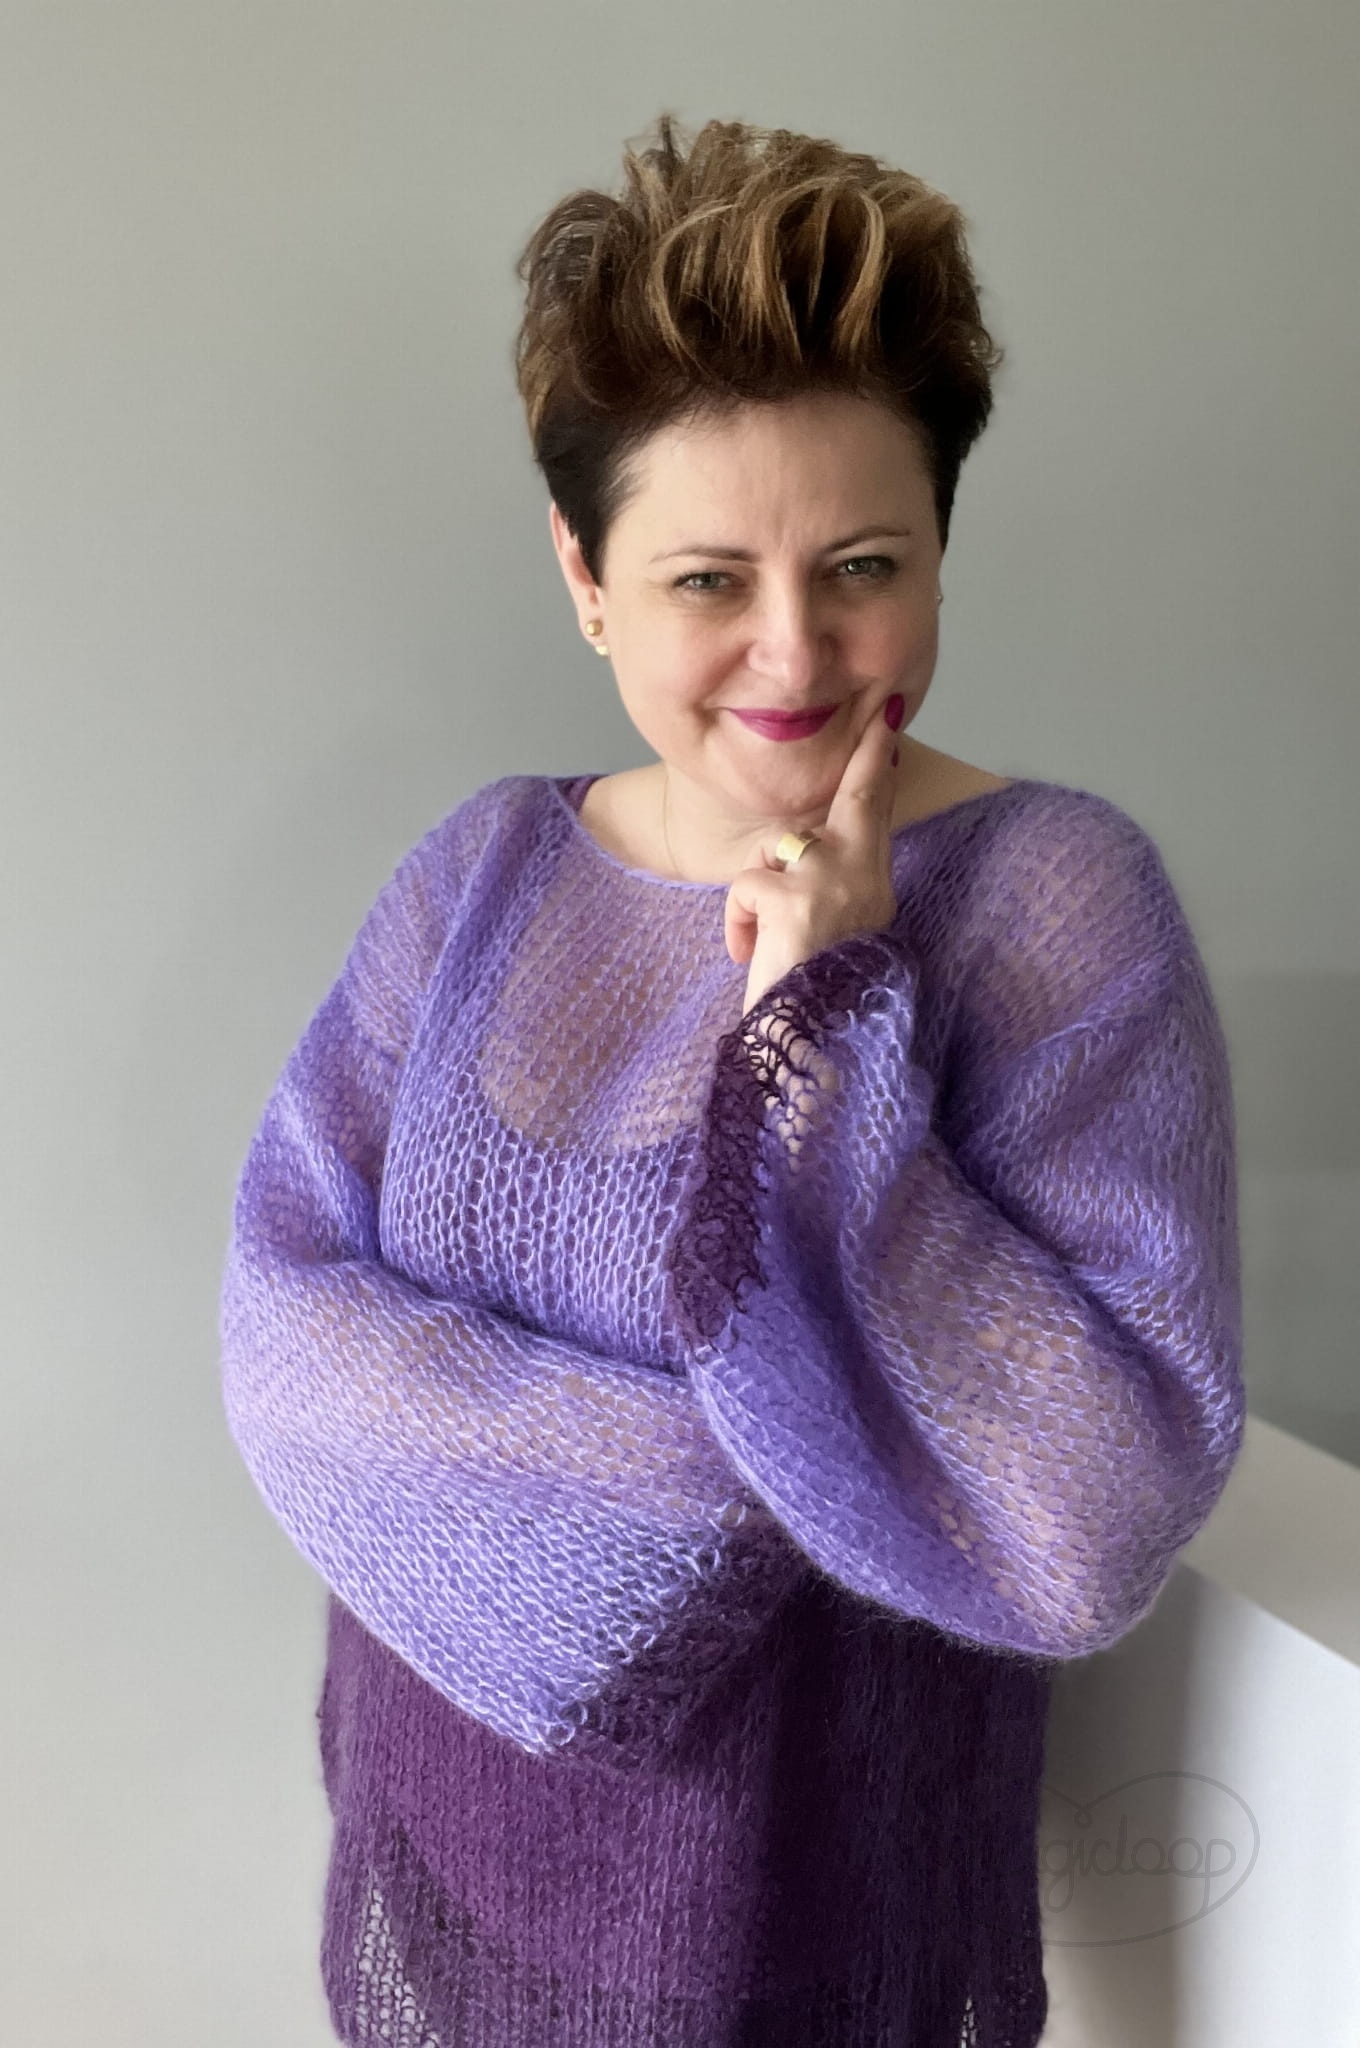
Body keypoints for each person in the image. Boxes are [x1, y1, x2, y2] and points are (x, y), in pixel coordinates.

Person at [218, 113, 1245, 2048]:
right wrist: (801, 1471)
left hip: (830, 1921)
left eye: (865, 564)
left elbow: (1089, 1511)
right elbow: (284, 1341)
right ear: (585, 574)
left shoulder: (1057, 907)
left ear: (941, 547)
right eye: (707, 578)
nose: (797, 652)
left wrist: (829, 1023)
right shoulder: (479, 876)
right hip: (452, 1858)